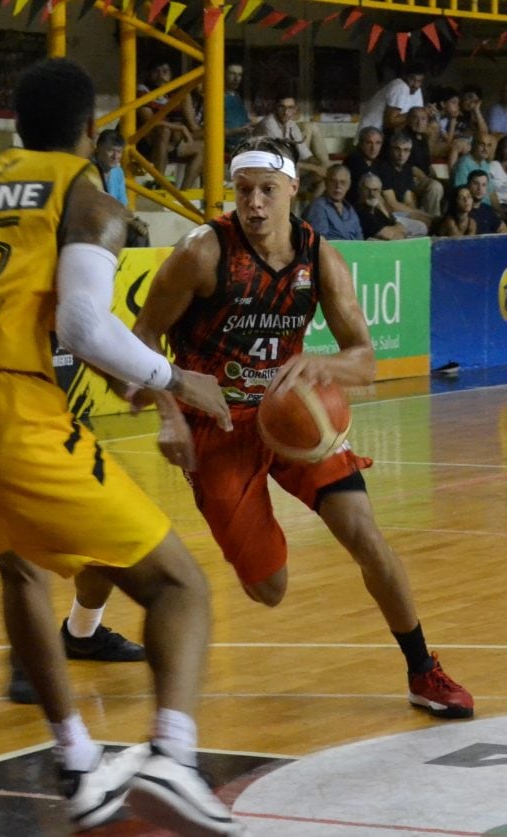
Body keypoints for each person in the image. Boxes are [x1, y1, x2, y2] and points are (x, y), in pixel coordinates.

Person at [0, 58, 241, 835]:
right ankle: (173, 755)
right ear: (92, 131)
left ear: (13, 127)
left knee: (19, 567)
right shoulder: (86, 195)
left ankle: (77, 762)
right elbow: (80, 327)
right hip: (5, 410)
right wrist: (178, 379)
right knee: (179, 587)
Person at [131, 135, 474, 722]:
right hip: (215, 426)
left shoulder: (321, 259)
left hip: (292, 415)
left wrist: (325, 365)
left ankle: (423, 669)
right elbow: (139, 337)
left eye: (268, 190)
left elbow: (363, 357)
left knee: (367, 537)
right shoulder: (202, 253)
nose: (255, 204)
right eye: (244, 191)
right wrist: (170, 410)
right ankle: (95, 586)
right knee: (271, 589)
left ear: (294, 188)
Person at [135, 59, 204, 190]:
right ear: (150, 74)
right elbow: (149, 121)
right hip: (149, 140)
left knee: (204, 146)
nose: (161, 75)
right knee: (164, 131)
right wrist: (179, 127)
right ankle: (158, 183)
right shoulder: (143, 90)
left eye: (165, 71)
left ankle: (184, 193)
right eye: (156, 71)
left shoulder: (178, 94)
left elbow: (194, 127)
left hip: (175, 141)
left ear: (171, 74)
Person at [254, 94, 327, 201]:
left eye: (290, 108)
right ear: (275, 108)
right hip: (261, 169)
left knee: (323, 177)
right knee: (293, 174)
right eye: (281, 107)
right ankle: (288, 214)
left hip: (281, 170)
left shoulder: (291, 125)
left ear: (295, 110)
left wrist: (319, 166)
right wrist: (314, 168)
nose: (285, 111)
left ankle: (312, 212)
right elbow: (281, 160)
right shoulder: (269, 123)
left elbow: (305, 154)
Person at [94, 128, 150, 247]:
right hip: (95, 224)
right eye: (111, 151)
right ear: (98, 149)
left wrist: (134, 221)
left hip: (114, 221)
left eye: (119, 152)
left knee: (140, 232)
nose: (115, 156)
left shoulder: (118, 172)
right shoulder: (89, 170)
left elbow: (122, 205)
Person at [376, 130, 433, 234]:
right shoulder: (384, 168)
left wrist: (418, 214)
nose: (401, 154)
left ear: (410, 152)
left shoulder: (407, 169)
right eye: (397, 149)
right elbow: (392, 204)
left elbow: (408, 200)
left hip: (401, 212)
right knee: (423, 225)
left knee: (431, 221)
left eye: (406, 150)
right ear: (390, 149)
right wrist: (420, 214)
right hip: (387, 214)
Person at [356, 63, 427, 141]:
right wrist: (418, 113)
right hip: (371, 133)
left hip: (388, 132)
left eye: (419, 81)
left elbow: (418, 116)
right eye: (412, 79)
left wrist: (427, 113)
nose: (416, 85)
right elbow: (390, 122)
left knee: (429, 127)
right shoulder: (400, 86)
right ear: (405, 76)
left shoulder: (416, 89)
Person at [404, 106, 445, 217]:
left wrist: (434, 174)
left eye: (423, 119)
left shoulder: (422, 138)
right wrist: (427, 178)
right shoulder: (404, 137)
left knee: (448, 186)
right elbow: (407, 165)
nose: (419, 122)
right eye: (415, 118)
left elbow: (427, 162)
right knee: (435, 186)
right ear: (408, 119)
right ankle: (433, 221)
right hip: (409, 178)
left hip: (423, 177)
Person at [303, 164, 363, 240]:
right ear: (326, 183)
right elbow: (320, 242)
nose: (338, 186)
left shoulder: (350, 210)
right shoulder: (318, 207)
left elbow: (360, 238)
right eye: (333, 181)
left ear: (349, 185)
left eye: (343, 182)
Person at [355, 173, 410, 240]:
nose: (372, 194)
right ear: (360, 190)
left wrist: (382, 208)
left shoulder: (377, 210)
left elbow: (403, 229)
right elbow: (389, 236)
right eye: (367, 190)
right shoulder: (360, 212)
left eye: (376, 190)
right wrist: (397, 231)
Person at [343, 126, 384, 206]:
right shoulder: (354, 160)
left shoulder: (379, 163)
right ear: (361, 144)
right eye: (369, 143)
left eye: (378, 143)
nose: (373, 148)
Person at [223, 63, 254, 156]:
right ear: (223, 74)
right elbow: (214, 132)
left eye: (239, 75)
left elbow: (245, 121)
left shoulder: (236, 96)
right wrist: (238, 131)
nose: (236, 78)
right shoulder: (217, 97)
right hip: (228, 148)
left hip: (244, 143)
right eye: (232, 74)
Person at [467, 169, 507, 234]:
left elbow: (503, 229)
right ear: (468, 185)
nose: (479, 188)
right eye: (475, 183)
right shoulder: (462, 210)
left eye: (483, 185)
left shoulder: (488, 209)